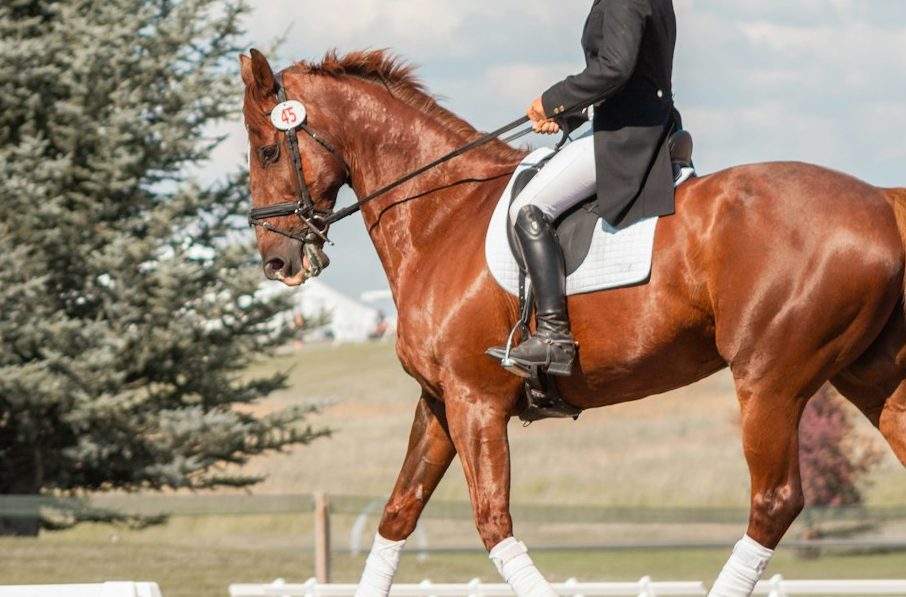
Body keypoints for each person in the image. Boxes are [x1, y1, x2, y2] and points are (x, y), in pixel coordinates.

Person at [494, 0, 679, 377]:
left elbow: (615, 68)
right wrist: (568, 112)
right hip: (640, 122)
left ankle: (554, 336)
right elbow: (630, 75)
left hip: (626, 136)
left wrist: (552, 100)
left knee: (528, 208)